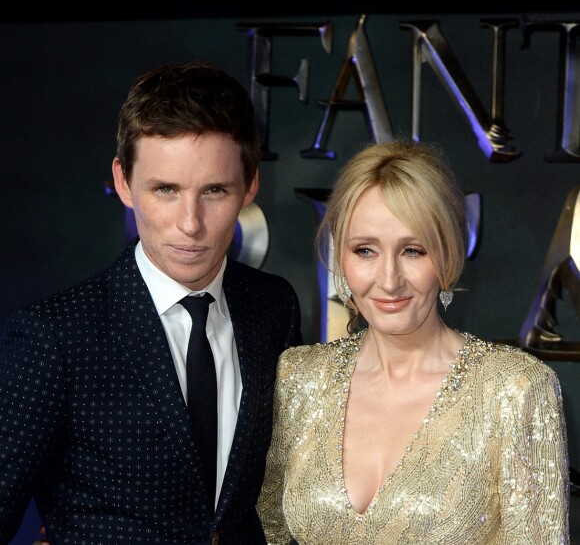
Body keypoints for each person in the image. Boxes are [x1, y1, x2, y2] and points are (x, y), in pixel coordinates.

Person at [0, 59, 303, 544]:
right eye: (165, 189)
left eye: (214, 191)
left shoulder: (274, 308)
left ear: (250, 184)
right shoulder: (53, 336)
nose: (190, 223)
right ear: (123, 182)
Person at [256, 139, 570, 544]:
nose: (388, 280)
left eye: (413, 250)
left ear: (448, 254)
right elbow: (269, 530)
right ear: (342, 256)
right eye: (365, 250)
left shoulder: (514, 391)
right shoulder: (298, 378)